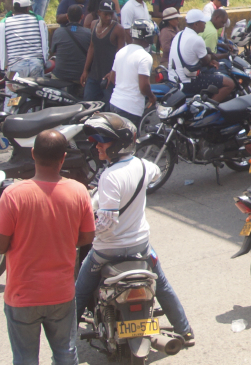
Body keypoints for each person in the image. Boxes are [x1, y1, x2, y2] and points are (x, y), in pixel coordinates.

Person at [75, 113, 193, 345]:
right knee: (163, 287)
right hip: (141, 246)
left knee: (79, 291)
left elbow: (108, 222)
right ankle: (186, 331)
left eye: (102, 140)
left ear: (118, 144)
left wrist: (86, 232)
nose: (98, 145)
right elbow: (156, 172)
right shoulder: (142, 165)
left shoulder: (110, 176)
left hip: (107, 250)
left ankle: (66, 342)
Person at [0, 129, 94, 365]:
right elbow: (87, 236)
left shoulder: (14, 195)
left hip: (23, 294)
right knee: (66, 353)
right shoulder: (79, 191)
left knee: (25, 358)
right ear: (63, 158)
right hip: (61, 293)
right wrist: (63, 240)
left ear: (33, 153)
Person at [170, 10, 236, 102]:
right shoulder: (197, 39)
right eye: (203, 22)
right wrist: (212, 58)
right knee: (229, 83)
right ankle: (209, 108)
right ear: (196, 24)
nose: (205, 24)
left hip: (174, 77)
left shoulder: (180, 34)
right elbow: (205, 61)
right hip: (188, 81)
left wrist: (209, 59)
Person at [105, 19, 157, 125]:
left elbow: (113, 78)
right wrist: (151, 97)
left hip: (114, 103)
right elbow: (144, 86)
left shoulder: (121, 51)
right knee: (130, 140)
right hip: (130, 108)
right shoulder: (145, 56)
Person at [80, 0, 126, 102]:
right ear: (99, 12)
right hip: (94, 73)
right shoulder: (93, 25)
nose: (108, 17)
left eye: (111, 14)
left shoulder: (118, 29)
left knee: (107, 106)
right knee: (88, 102)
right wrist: (85, 70)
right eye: (105, 14)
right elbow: (92, 47)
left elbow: (121, 55)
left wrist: (113, 73)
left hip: (109, 75)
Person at [0, 0, 50, 79]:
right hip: (35, 64)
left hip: (15, 66)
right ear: (27, 8)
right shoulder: (38, 20)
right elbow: (45, 44)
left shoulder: (5, 23)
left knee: (11, 91)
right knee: (35, 91)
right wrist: (45, 61)